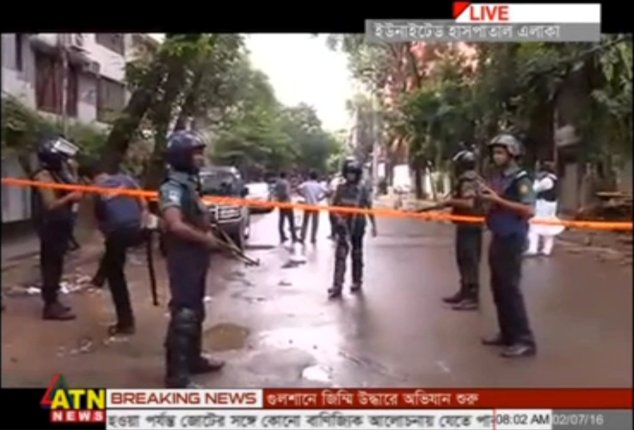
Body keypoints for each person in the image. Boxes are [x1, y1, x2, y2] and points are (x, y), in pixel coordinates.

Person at [159, 130, 225, 388]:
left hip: (195, 257)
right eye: (195, 153)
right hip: (183, 256)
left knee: (196, 309)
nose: (201, 158)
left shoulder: (190, 184)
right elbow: (174, 225)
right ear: (182, 157)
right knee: (184, 312)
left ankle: (193, 360)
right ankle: (176, 375)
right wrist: (204, 238)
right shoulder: (172, 187)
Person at [478, 134, 537, 358]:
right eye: (494, 152)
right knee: (498, 288)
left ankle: (524, 340)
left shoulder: (521, 179)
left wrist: (498, 200)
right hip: (499, 236)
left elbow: (529, 210)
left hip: (513, 238)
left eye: (501, 152)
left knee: (511, 289)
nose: (496, 156)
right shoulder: (500, 177)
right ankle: (507, 333)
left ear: (512, 153)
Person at [86, 162, 149, 335]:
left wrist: (107, 235)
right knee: (111, 254)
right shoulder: (127, 179)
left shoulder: (96, 190)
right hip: (139, 229)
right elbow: (144, 204)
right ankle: (99, 278)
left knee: (116, 275)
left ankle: (126, 322)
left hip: (118, 233)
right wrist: (142, 226)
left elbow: (100, 221)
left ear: (90, 179)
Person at [31, 137, 83, 320]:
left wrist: (74, 172)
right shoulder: (43, 175)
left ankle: (54, 301)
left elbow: (74, 189)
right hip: (50, 225)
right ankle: (50, 305)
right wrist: (70, 198)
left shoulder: (59, 173)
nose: (65, 162)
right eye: (62, 158)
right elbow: (50, 204)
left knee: (57, 263)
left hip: (61, 224)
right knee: (51, 264)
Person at [440, 148, 483, 311]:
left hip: (470, 225)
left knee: (469, 259)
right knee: (463, 258)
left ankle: (472, 297)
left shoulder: (468, 180)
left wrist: (450, 202)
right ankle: (464, 292)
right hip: (466, 224)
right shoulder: (472, 178)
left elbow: (468, 203)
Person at [329, 159, 377, 299]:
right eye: (349, 173)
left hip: (358, 226)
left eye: (354, 173)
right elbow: (333, 206)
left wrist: (374, 225)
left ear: (358, 174)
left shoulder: (362, 189)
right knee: (340, 256)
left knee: (357, 255)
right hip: (343, 226)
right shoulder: (340, 188)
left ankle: (357, 281)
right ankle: (337, 285)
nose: (351, 176)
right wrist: (337, 219)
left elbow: (369, 207)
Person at [525, 161, 564, 257]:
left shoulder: (546, 180)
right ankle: (546, 250)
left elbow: (534, 189)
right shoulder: (554, 179)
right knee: (548, 228)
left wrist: (536, 180)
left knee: (534, 226)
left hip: (543, 206)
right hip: (550, 205)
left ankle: (532, 249)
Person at [298, 171, 328, 244]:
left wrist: (303, 195)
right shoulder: (319, 185)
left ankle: (302, 237)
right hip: (315, 205)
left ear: (309, 176)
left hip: (307, 205)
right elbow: (328, 193)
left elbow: (298, 189)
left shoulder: (306, 184)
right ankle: (313, 238)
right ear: (317, 177)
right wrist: (320, 198)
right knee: (315, 223)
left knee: (305, 222)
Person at [273, 171, 297, 244]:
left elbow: (275, 192)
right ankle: (293, 236)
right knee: (291, 220)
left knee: (281, 220)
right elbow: (286, 193)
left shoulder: (277, 183)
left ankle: (282, 236)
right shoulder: (286, 183)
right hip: (287, 203)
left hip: (280, 203)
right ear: (286, 176)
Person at [327, 173, 344, 239]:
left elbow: (330, 192)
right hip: (342, 204)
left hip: (334, 203)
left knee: (333, 219)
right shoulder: (345, 182)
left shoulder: (333, 181)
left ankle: (333, 234)